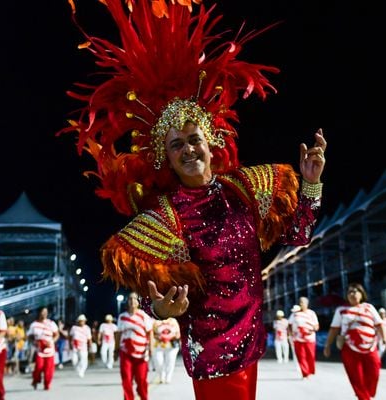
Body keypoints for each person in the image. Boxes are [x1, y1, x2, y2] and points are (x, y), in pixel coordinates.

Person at [60, 2, 326, 400]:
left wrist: (309, 185)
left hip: (252, 341)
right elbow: (154, 294)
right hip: (213, 352)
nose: (187, 150)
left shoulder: (245, 187)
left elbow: (299, 233)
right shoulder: (167, 215)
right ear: (164, 156)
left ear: (211, 140)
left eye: (193, 139)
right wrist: (161, 312)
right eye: (176, 144)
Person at [323, 283, 386, 400]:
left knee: (374, 371)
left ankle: (368, 393)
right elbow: (334, 329)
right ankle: (363, 397)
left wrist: (385, 339)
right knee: (356, 377)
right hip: (349, 348)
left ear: (362, 294)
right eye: (350, 292)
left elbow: (379, 325)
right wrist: (327, 345)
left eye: (356, 291)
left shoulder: (369, 308)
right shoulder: (341, 310)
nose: (353, 294)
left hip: (370, 346)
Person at [117, 292, 153, 400]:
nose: (132, 301)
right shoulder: (122, 317)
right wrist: (115, 349)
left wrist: (150, 348)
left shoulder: (144, 315)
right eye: (130, 299)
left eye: (135, 299)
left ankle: (143, 397)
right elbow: (118, 334)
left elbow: (149, 332)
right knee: (126, 379)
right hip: (125, 352)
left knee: (141, 379)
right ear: (127, 302)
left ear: (138, 302)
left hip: (141, 353)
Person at [27, 306, 59, 390]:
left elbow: (57, 334)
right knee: (39, 367)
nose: (44, 313)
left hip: (49, 349)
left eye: (46, 312)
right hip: (39, 350)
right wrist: (35, 342)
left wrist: (52, 341)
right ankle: (35, 380)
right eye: (42, 312)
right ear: (39, 313)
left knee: (49, 369)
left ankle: (47, 384)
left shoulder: (51, 323)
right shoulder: (34, 324)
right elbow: (29, 336)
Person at [288, 297, 319, 379]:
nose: (301, 304)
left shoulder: (311, 313)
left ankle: (310, 370)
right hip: (298, 339)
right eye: (300, 302)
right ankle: (305, 373)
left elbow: (316, 325)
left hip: (310, 338)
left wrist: (314, 329)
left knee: (311, 356)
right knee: (301, 356)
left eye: (303, 302)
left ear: (307, 304)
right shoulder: (294, 314)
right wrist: (290, 335)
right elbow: (289, 325)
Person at [152, 316, 180, 384]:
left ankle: (168, 377)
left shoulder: (173, 321)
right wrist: (161, 337)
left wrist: (170, 337)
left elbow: (178, 334)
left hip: (171, 346)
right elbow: (152, 334)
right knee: (158, 362)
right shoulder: (156, 321)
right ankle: (161, 376)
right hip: (158, 345)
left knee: (170, 361)